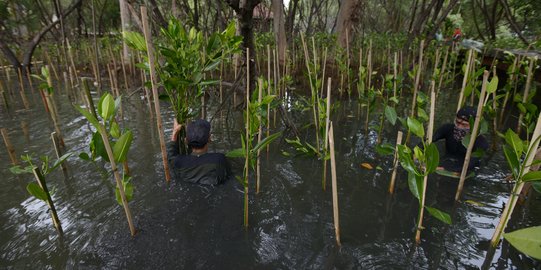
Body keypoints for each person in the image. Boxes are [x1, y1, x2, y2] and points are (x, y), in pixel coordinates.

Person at [167, 119, 231, 185]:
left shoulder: (179, 161)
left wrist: (175, 133)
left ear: (186, 141)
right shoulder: (219, 159)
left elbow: (170, 154)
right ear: (209, 138)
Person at [433, 106, 489, 172]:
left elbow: (471, 164)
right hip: (447, 161)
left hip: (467, 170)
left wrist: (443, 169)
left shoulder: (481, 142)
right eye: (457, 122)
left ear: (473, 126)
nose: (459, 127)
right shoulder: (447, 129)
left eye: (464, 125)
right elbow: (428, 140)